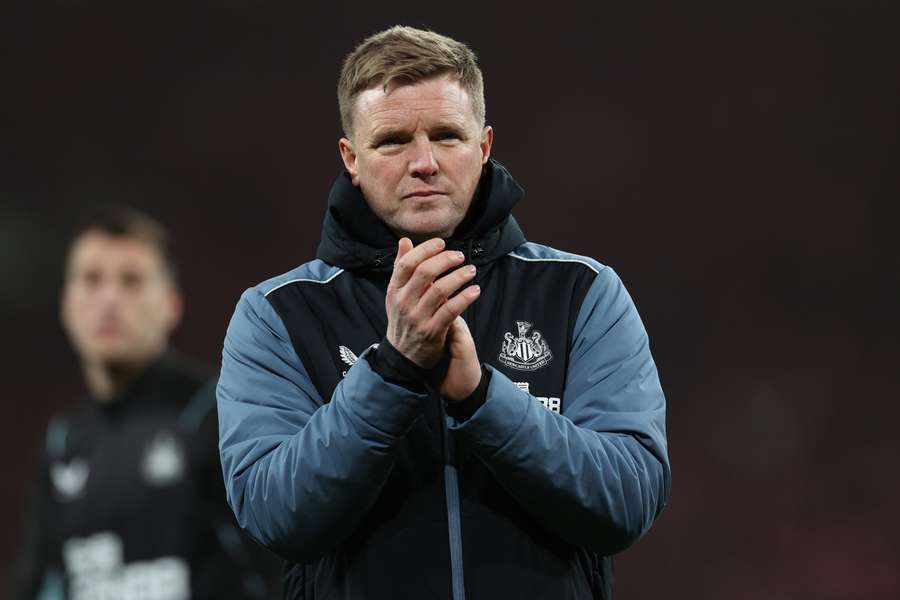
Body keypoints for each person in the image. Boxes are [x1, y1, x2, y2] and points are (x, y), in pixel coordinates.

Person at [217, 26, 671, 600]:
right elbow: (274, 514)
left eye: (447, 135)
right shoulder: (275, 315)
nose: (424, 162)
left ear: (483, 148)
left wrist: (483, 398)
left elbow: (629, 500)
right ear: (351, 157)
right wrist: (392, 372)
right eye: (392, 141)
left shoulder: (583, 293)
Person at [14, 208, 278, 600]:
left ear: (171, 305)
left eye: (131, 281)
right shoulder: (63, 441)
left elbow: (277, 572)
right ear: (67, 303)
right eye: (91, 280)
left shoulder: (216, 414)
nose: (108, 299)